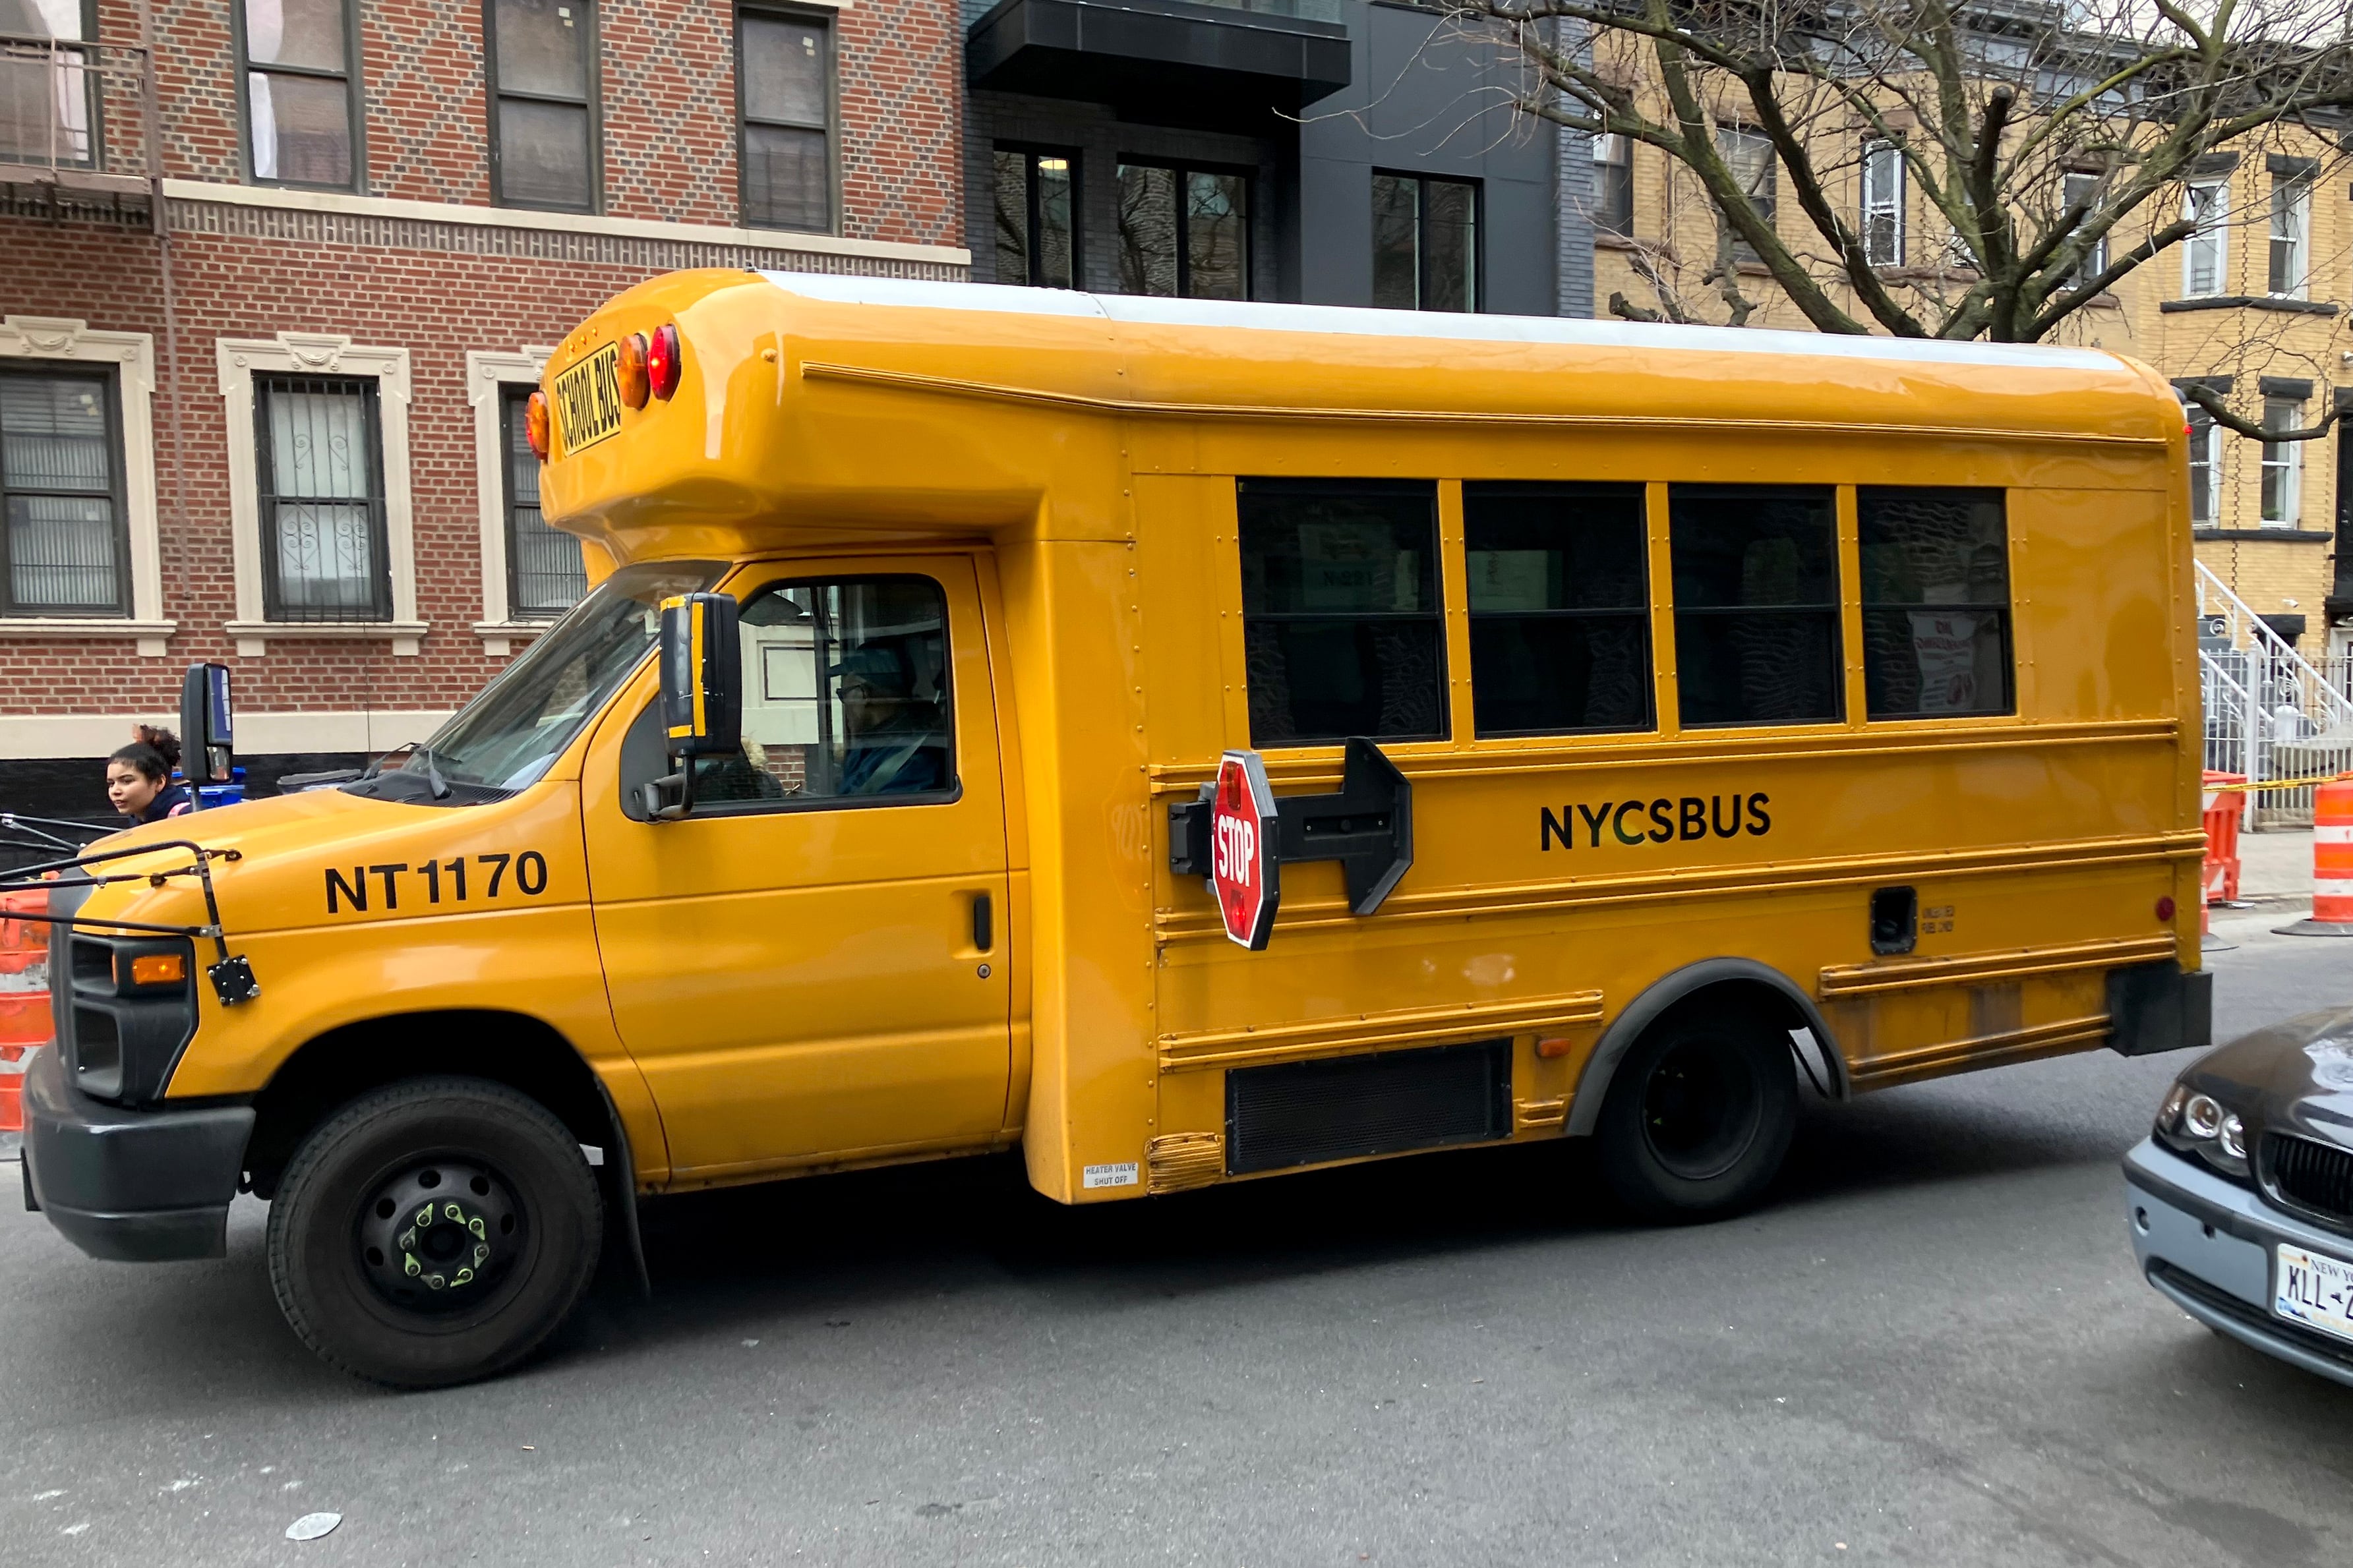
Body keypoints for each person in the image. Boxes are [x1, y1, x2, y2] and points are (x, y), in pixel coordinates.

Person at [832, 647, 949, 795]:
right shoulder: (871, 743)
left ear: (863, 694)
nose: (844, 704)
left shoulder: (918, 758)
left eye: (843, 694)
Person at [106, 726, 191, 825]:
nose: (115, 791)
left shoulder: (187, 818)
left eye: (127, 781)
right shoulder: (140, 818)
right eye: (111, 784)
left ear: (159, 782)